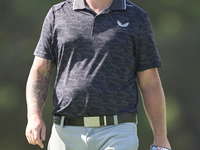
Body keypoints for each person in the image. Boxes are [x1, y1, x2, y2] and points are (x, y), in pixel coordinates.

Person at [25, 0, 172, 149]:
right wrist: (34, 116)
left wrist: (160, 137)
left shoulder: (136, 16)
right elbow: (40, 71)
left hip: (117, 132)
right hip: (65, 132)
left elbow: (150, 82)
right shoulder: (58, 14)